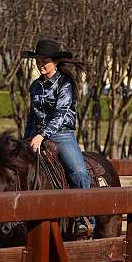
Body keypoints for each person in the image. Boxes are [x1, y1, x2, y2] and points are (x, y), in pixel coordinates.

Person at [22, 38, 94, 237]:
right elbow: (32, 116)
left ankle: (86, 218)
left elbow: (60, 114)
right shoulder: (35, 86)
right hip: (36, 135)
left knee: (78, 171)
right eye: (38, 60)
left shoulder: (65, 84)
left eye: (45, 60)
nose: (41, 64)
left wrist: (41, 135)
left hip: (62, 135)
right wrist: (26, 139)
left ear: (55, 62)